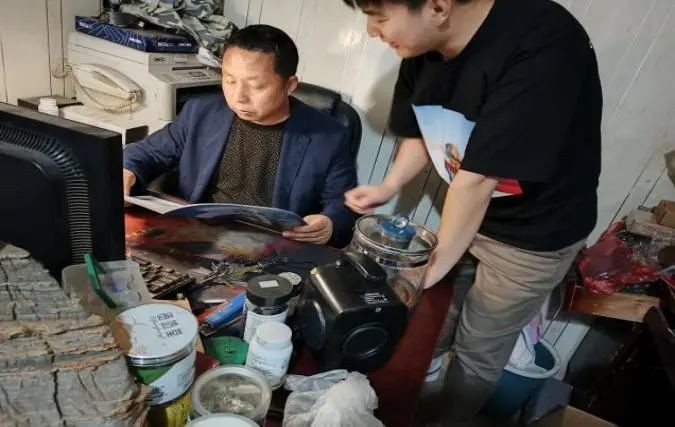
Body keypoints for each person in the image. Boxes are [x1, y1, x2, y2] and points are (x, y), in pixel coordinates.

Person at [342, 0, 602, 423]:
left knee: (476, 351)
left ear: (438, 7)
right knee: (433, 321)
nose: (372, 30)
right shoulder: (421, 44)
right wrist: (389, 185)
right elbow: (421, 127)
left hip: (534, 235)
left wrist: (422, 272)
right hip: (470, 215)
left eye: (380, 17)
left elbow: (477, 181)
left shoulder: (544, 44)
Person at [123, 25, 358, 247]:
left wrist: (329, 222)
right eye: (230, 80)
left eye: (256, 86)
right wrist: (127, 171)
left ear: (289, 85)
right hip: (199, 235)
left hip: (273, 246)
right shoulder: (201, 113)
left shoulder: (328, 136)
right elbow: (147, 152)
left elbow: (344, 203)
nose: (239, 97)